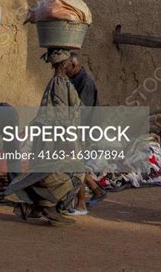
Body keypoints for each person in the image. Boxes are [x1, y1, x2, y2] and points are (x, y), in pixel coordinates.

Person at [4, 49, 84, 225]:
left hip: (50, 136)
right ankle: (48, 207)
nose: (72, 66)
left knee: (48, 171)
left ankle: (40, 206)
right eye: (69, 63)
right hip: (55, 138)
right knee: (71, 173)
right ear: (65, 64)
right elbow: (62, 115)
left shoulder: (59, 82)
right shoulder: (60, 84)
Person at [63, 51, 105, 215]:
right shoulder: (72, 79)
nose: (63, 69)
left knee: (76, 166)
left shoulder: (85, 83)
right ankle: (96, 189)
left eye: (65, 66)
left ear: (73, 65)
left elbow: (82, 113)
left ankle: (81, 205)